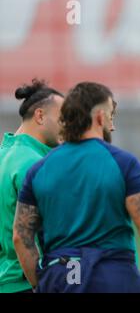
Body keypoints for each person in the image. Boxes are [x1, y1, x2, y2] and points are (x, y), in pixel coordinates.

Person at [13, 82, 140, 293]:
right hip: (112, 276)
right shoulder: (123, 162)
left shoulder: (39, 169)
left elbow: (21, 237)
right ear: (99, 118)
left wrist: (39, 284)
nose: (112, 125)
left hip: (59, 278)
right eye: (110, 116)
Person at [0, 79, 64, 293]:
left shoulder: (5, 153)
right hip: (26, 281)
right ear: (40, 115)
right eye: (63, 118)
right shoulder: (32, 163)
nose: (68, 126)